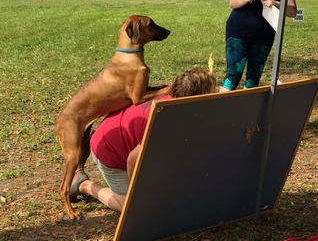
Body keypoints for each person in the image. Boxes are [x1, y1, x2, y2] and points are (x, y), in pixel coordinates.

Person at [69, 68, 217, 213]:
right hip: (108, 150)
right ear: (196, 98)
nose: (215, 96)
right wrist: (139, 193)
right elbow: (132, 160)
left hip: (123, 137)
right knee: (129, 206)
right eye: (212, 93)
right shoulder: (166, 120)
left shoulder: (176, 102)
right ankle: (83, 184)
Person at [220, 0, 297, 92]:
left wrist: (275, 2)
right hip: (238, 33)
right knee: (233, 76)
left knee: (253, 79)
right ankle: (222, 111)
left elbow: (293, 11)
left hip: (264, 36)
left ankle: (247, 112)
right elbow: (233, 2)